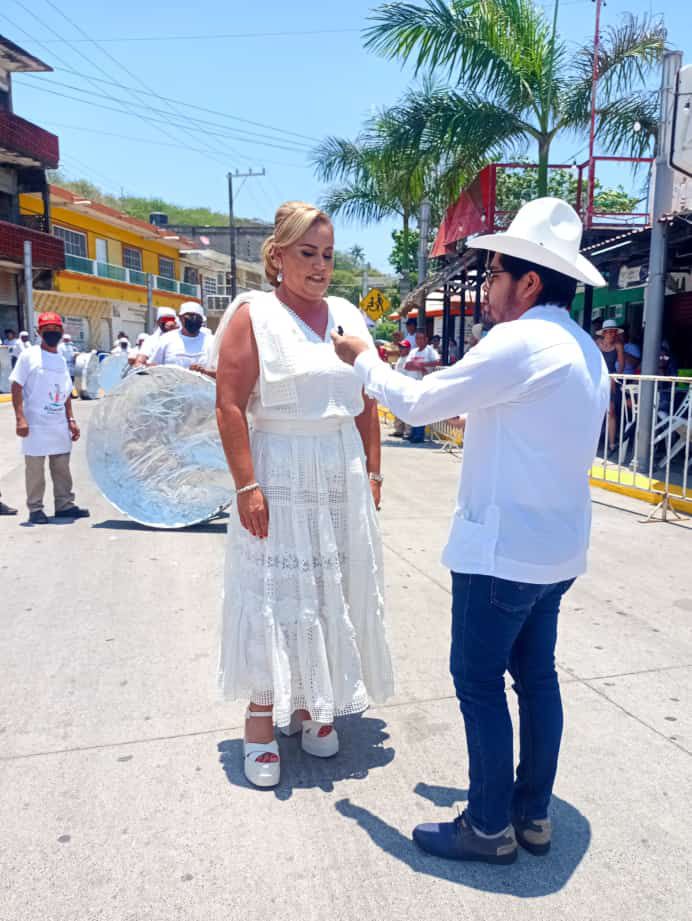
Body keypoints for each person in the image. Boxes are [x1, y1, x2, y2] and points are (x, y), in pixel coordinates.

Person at [333, 197, 610, 864]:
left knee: (479, 681)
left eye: (495, 273)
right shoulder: (582, 349)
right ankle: (531, 813)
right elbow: (525, 421)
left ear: (529, 282)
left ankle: (487, 827)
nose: (488, 286)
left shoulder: (519, 341)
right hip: (554, 551)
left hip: (501, 555)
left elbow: (416, 404)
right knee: (536, 679)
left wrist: (362, 359)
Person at [214, 200, 393, 789]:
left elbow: (366, 398)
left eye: (328, 255)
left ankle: (315, 702)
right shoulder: (254, 314)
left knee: (329, 585)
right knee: (275, 587)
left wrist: (373, 471)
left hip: (340, 468)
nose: (320, 266)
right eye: (308, 253)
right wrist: (246, 485)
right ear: (278, 256)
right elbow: (230, 404)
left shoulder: (347, 314)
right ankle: (261, 719)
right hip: (280, 469)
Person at [9, 312, 89, 524]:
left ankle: (64, 505)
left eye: (55, 329)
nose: (52, 333)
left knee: (62, 468)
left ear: (61, 332)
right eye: (47, 330)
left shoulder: (61, 360)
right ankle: (35, 509)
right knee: (35, 470)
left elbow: (65, 393)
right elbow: (16, 386)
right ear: (39, 332)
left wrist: (71, 420)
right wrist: (20, 418)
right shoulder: (29, 356)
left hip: (58, 424)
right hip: (35, 424)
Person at [150, 302, 214, 372]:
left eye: (197, 317)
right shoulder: (166, 339)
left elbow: (219, 372)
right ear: (180, 318)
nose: (193, 319)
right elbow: (153, 367)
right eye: (190, 315)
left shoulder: (211, 341)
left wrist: (204, 371)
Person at [404, 330, 440, 443]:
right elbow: (407, 365)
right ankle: (413, 432)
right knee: (413, 409)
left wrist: (422, 365)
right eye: (417, 338)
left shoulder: (430, 351)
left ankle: (419, 435)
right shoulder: (413, 351)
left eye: (421, 338)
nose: (418, 341)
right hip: (412, 384)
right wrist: (419, 367)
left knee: (421, 409)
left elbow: (438, 362)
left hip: (423, 384)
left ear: (426, 339)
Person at [596, 319, 625, 454]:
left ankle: (612, 443)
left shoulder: (618, 345)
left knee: (611, 410)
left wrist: (615, 378)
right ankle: (594, 441)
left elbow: (621, 365)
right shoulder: (597, 343)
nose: (612, 334)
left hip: (611, 380)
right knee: (596, 409)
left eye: (614, 332)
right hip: (598, 378)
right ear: (604, 333)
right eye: (609, 332)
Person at [391, 339, 415, 437]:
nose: (401, 349)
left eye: (403, 347)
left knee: (407, 409)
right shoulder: (400, 358)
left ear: (408, 349)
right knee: (398, 408)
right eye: (400, 347)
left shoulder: (409, 359)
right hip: (398, 386)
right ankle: (399, 429)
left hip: (406, 386)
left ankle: (408, 431)